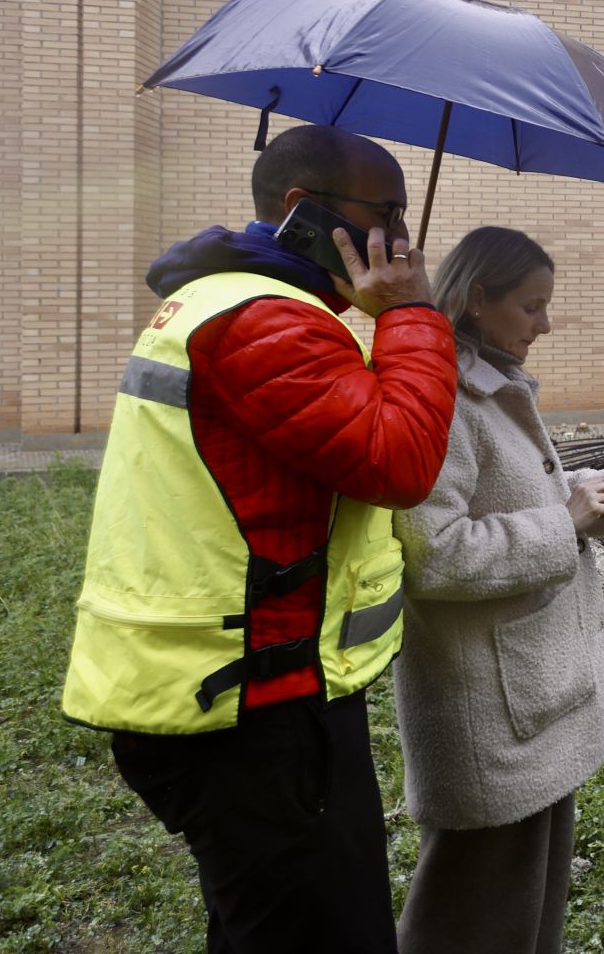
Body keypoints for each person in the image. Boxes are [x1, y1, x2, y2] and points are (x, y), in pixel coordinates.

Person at [61, 125, 458, 954]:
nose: (398, 238)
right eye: (383, 214)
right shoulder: (260, 320)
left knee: (265, 926)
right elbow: (398, 460)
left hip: (239, 690)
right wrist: (414, 313)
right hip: (250, 712)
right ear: (302, 209)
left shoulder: (241, 303)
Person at [392, 226, 604, 954]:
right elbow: (431, 554)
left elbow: (505, 498)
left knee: (529, 902)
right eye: (532, 306)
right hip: (484, 703)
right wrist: (561, 523)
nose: (546, 324)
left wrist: (590, 494)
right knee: (471, 916)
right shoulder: (439, 395)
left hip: (528, 692)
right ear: (477, 299)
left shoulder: (488, 380)